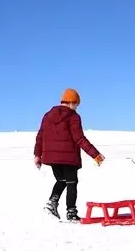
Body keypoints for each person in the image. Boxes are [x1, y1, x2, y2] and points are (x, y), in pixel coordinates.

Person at [34, 89, 105, 220]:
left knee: (61, 180)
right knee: (72, 183)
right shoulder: (73, 117)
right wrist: (95, 155)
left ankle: (52, 203)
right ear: (72, 102)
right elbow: (79, 139)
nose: (77, 108)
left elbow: (40, 136)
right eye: (77, 104)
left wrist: (37, 155)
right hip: (68, 157)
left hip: (52, 158)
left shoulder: (47, 115)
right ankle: (71, 213)